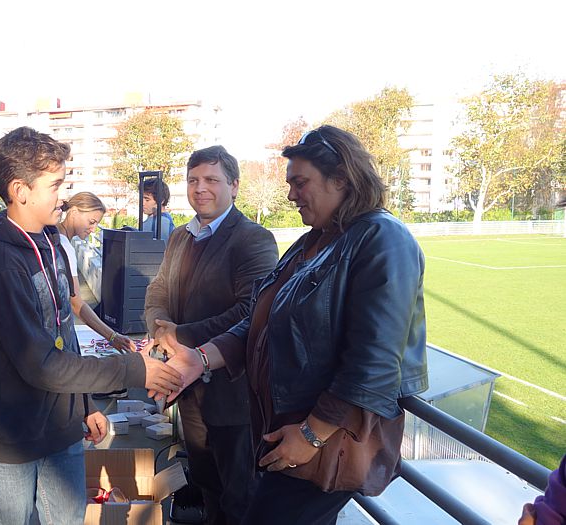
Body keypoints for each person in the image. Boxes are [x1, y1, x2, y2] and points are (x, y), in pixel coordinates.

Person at [157, 126, 429, 525]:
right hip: (290, 433)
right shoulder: (313, 242)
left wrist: (311, 434)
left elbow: (374, 362)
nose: (290, 195)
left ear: (341, 179)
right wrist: (200, 358)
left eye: (300, 183)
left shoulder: (382, 238)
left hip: (324, 441)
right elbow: (260, 321)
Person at [0, 126, 185, 524]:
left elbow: (63, 331)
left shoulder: (50, 242)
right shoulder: (1, 265)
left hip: (61, 424)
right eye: (55, 185)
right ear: (20, 191)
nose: (62, 196)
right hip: (12, 438)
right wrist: (133, 368)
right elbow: (42, 365)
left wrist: (84, 404)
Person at [143, 145, 278, 524]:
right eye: (193, 180)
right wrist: (160, 328)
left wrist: (179, 335)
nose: (200, 188)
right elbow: (158, 291)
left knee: (240, 497)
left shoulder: (253, 239)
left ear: (234, 186)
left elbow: (252, 312)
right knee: (207, 486)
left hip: (234, 397)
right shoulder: (180, 237)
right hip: (189, 393)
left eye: (211, 180)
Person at [57, 192, 135, 352]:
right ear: (74, 212)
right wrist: (112, 336)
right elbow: (76, 303)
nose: (93, 229)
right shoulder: (64, 246)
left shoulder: (53, 236)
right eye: (91, 222)